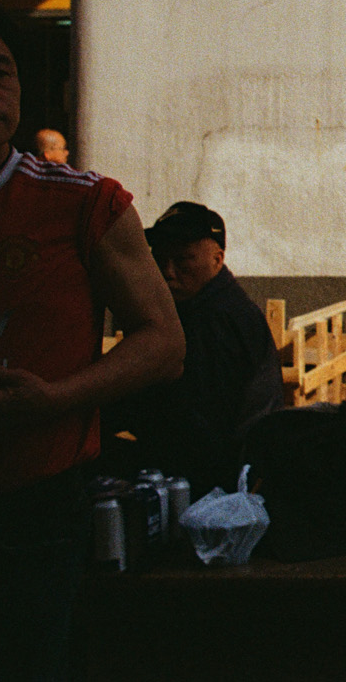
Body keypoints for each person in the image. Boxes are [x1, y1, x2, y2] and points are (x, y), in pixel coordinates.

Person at [0, 0, 183, 680]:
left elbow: (163, 342)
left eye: (0, 72)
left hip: (32, 515)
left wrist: (55, 399)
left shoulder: (84, 203)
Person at [101, 202, 289, 492]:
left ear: (217, 258)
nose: (167, 271)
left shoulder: (216, 320)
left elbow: (194, 427)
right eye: (159, 259)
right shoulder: (198, 308)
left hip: (216, 481)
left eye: (184, 259)